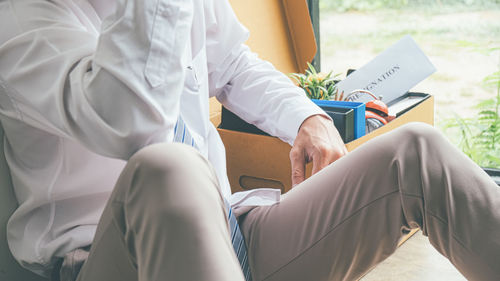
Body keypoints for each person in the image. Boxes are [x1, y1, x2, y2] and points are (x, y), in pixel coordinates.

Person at [0, 0, 498, 280]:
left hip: (232, 231)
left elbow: (232, 62)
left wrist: (308, 117)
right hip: (111, 260)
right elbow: (134, 124)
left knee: (415, 153)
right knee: (169, 169)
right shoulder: (20, 18)